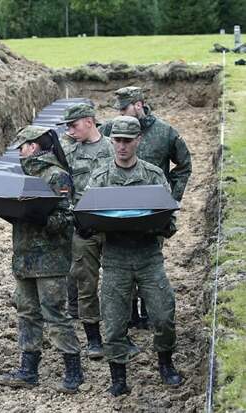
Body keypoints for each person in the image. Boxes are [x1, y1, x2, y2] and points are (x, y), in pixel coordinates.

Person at [87, 116, 182, 396]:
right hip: (115, 258)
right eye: (117, 140)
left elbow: (169, 219)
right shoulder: (101, 177)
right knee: (115, 323)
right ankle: (118, 376)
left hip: (148, 256)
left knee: (163, 315)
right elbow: (89, 213)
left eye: (128, 140)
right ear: (111, 140)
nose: (122, 146)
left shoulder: (153, 175)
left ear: (139, 140)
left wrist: (160, 223)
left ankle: (166, 363)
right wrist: (86, 226)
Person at [0, 125, 83, 393]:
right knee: (27, 313)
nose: (19, 154)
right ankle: (28, 370)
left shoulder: (57, 177)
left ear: (34, 146)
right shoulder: (22, 177)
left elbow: (69, 218)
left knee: (54, 313)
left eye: (21, 147)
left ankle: (73, 370)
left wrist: (43, 218)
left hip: (51, 261)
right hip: (24, 259)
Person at [100, 86, 192, 329]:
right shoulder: (112, 129)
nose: (120, 114)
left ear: (138, 105)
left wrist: (169, 199)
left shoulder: (164, 132)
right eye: (118, 110)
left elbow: (183, 164)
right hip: (117, 210)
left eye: (124, 108)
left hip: (150, 213)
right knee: (119, 263)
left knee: (148, 260)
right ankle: (129, 313)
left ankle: (148, 310)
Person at [57, 103, 114, 360]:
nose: (70, 130)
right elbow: (62, 187)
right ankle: (93, 338)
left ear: (89, 121)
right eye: (67, 126)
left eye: (74, 125)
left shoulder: (113, 148)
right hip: (83, 228)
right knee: (85, 282)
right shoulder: (68, 151)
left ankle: (119, 332)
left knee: (117, 283)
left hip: (114, 226)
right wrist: (74, 217)